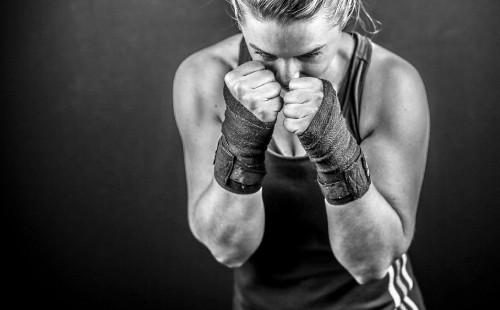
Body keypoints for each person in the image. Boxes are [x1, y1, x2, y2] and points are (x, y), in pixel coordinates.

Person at [173, 0, 429, 309]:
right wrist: (241, 141)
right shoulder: (204, 76)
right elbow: (228, 249)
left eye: (310, 54)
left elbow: (370, 264)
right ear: (240, 22)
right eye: (263, 54)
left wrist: (334, 149)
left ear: (343, 17)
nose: (287, 76)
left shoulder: (389, 82)